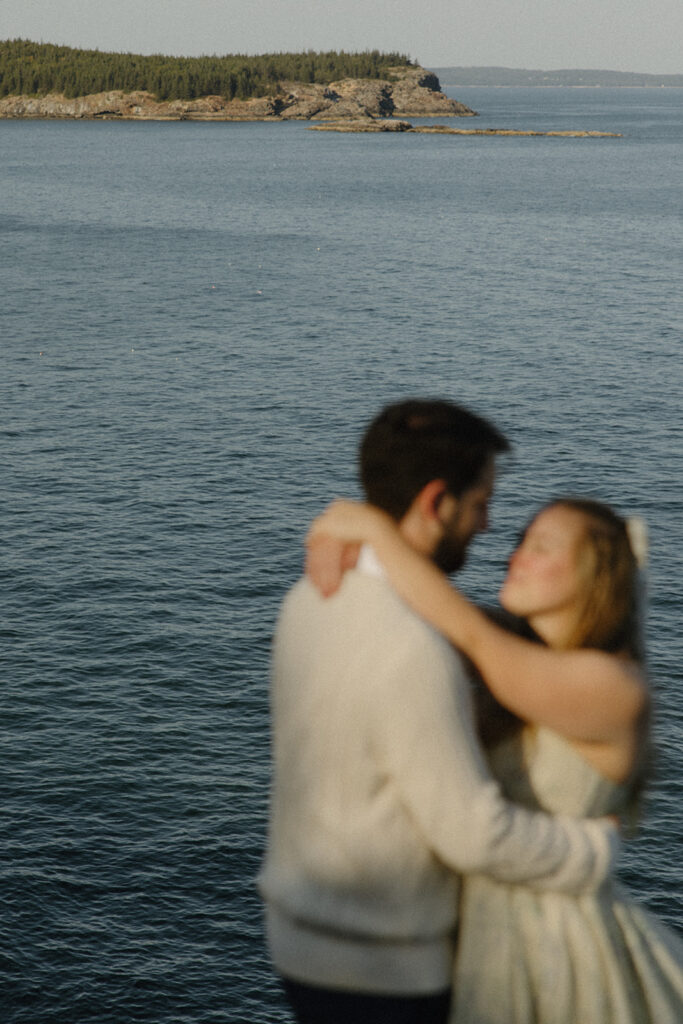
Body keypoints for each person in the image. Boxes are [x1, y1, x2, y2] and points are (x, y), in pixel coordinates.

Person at [258, 399, 621, 1024]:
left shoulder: (307, 599)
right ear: (436, 502)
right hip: (386, 971)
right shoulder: (413, 648)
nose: (486, 526)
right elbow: (471, 831)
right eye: (480, 503)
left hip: (298, 943)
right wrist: (590, 852)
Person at [307, 493, 683, 1022]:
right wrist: (336, 536)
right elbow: (413, 606)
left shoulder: (615, 688)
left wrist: (373, 527)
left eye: (540, 547)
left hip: (562, 957)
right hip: (472, 939)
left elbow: (468, 634)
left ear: (597, 575)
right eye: (519, 542)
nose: (514, 557)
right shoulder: (509, 651)